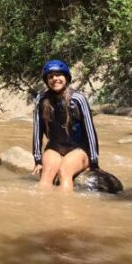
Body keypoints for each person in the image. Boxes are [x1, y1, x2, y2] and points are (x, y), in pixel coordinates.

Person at [31, 59, 100, 191]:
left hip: (78, 149)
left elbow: (90, 130)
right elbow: (37, 130)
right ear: (46, 81)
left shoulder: (78, 99)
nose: (55, 79)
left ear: (66, 77)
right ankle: (43, 210)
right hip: (55, 147)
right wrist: (38, 160)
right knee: (46, 176)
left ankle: (66, 210)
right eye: (50, 77)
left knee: (64, 172)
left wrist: (94, 161)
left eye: (59, 75)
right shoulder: (41, 99)